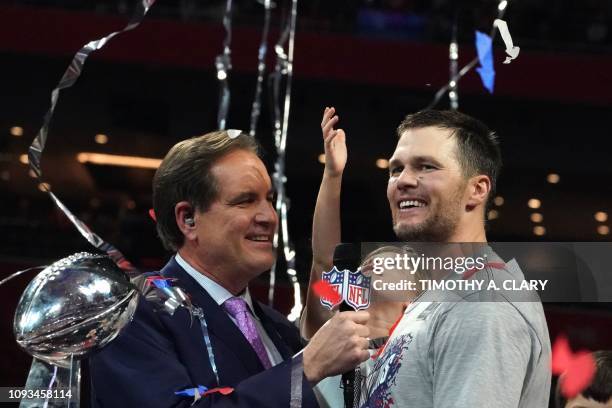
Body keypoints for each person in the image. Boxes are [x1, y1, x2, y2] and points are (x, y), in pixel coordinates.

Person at [89, 130, 372, 407]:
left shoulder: (278, 328)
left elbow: (323, 267)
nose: (269, 217)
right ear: (188, 219)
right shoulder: (132, 316)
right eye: (246, 201)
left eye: (269, 200)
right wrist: (306, 366)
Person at [302, 109, 552, 407]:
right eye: (396, 169)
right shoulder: (440, 299)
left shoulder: (482, 305)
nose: (403, 181)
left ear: (477, 189)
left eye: (426, 167)